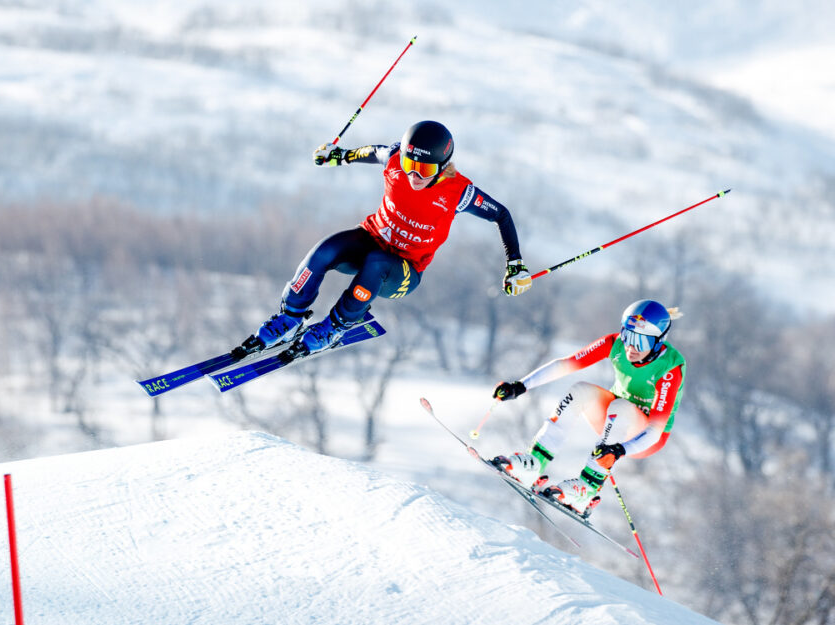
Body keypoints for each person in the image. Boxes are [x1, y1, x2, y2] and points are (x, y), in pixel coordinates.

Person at [233, 120, 532, 360]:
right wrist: (339, 156)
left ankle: (337, 326)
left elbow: (501, 215)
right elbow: (369, 152)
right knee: (324, 252)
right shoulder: (393, 159)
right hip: (371, 240)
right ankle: (290, 317)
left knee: (377, 263)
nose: (414, 175)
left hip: (403, 272)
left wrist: (515, 263)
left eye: (425, 169)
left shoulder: (458, 192)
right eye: (409, 163)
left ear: (442, 169)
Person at [489, 299, 686, 516]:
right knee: (580, 390)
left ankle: (587, 489)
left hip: (644, 437)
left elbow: (655, 431)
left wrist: (620, 450)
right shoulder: (615, 343)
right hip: (614, 419)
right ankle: (535, 462)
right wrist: (521, 386)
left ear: (659, 342)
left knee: (621, 407)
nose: (631, 347)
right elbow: (567, 363)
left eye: (641, 342)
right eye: (628, 336)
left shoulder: (670, 368)